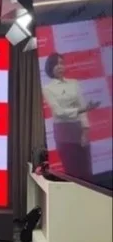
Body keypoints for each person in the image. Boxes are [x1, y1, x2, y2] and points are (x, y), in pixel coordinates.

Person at [41, 52, 100, 180]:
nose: (60, 66)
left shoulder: (74, 83)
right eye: (56, 64)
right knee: (72, 172)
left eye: (61, 63)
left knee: (86, 171)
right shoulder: (47, 88)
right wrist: (82, 109)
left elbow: (82, 105)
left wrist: (85, 130)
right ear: (50, 67)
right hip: (63, 132)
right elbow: (59, 112)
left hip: (79, 129)